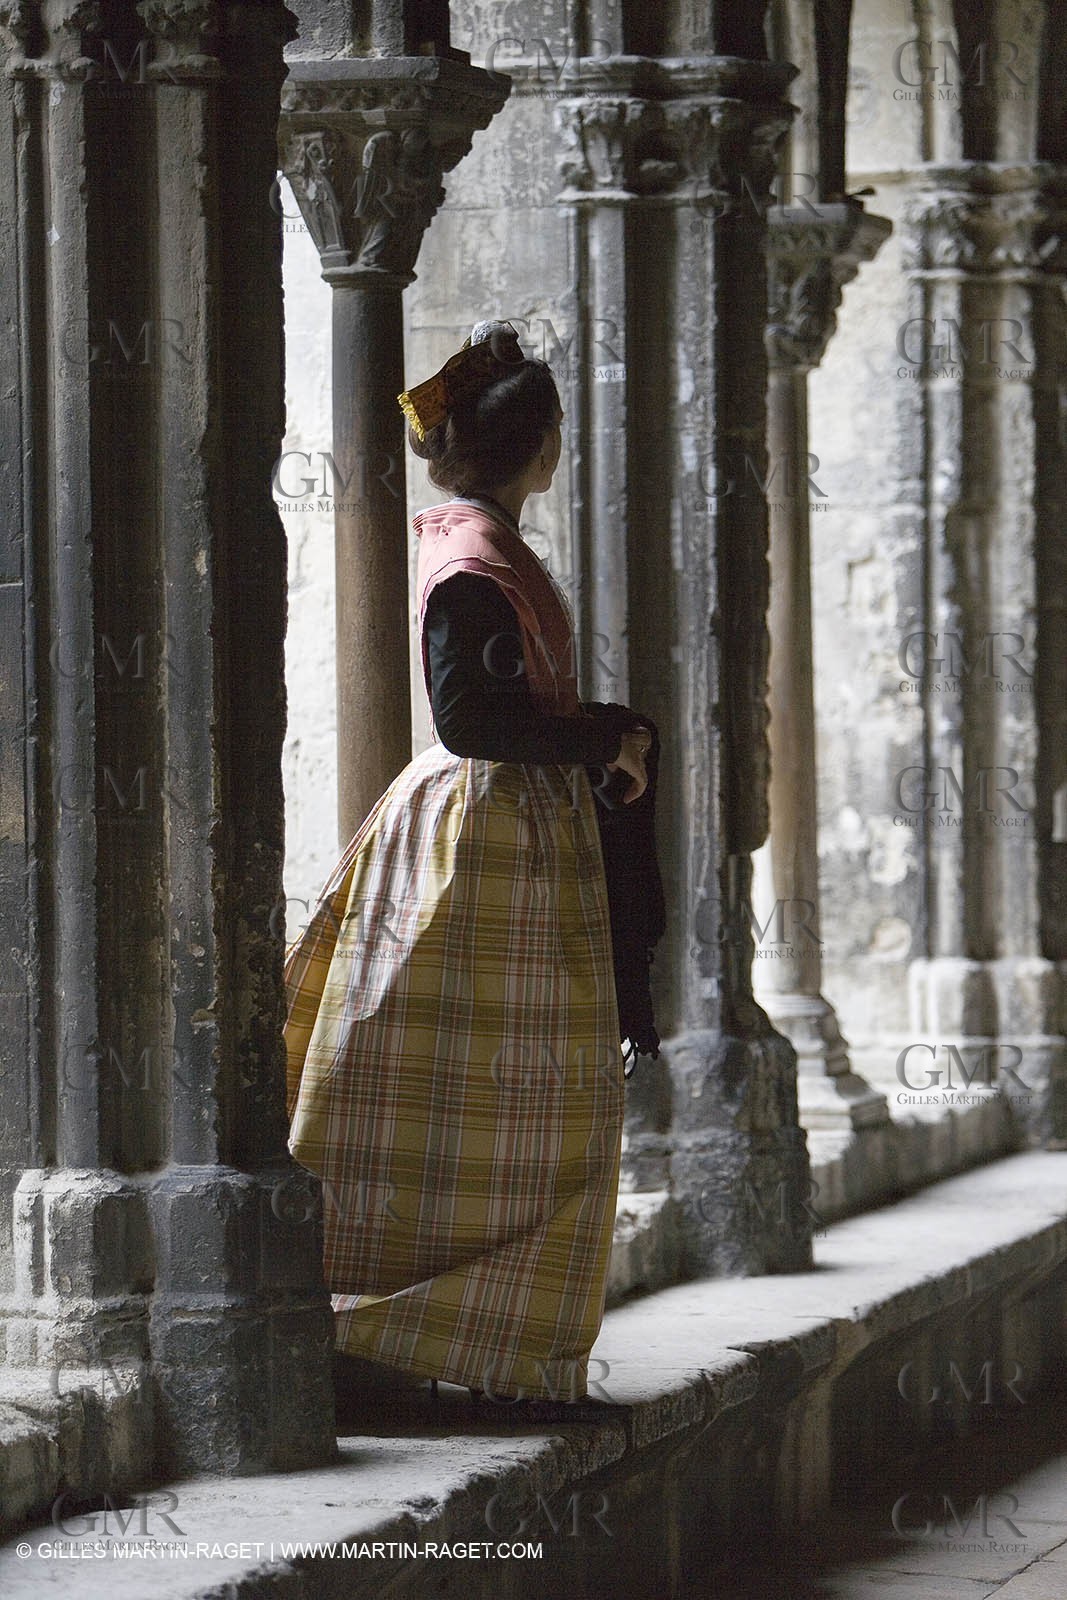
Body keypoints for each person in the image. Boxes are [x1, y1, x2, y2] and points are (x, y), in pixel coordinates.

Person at [283, 321, 654, 1412]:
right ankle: (387, 1338)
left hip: (512, 839)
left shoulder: (479, 542)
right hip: (479, 844)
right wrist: (602, 741)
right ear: (542, 446)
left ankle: (466, 1343)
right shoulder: (471, 561)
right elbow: (470, 718)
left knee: (504, 1110)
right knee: (469, 1105)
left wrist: (602, 732)